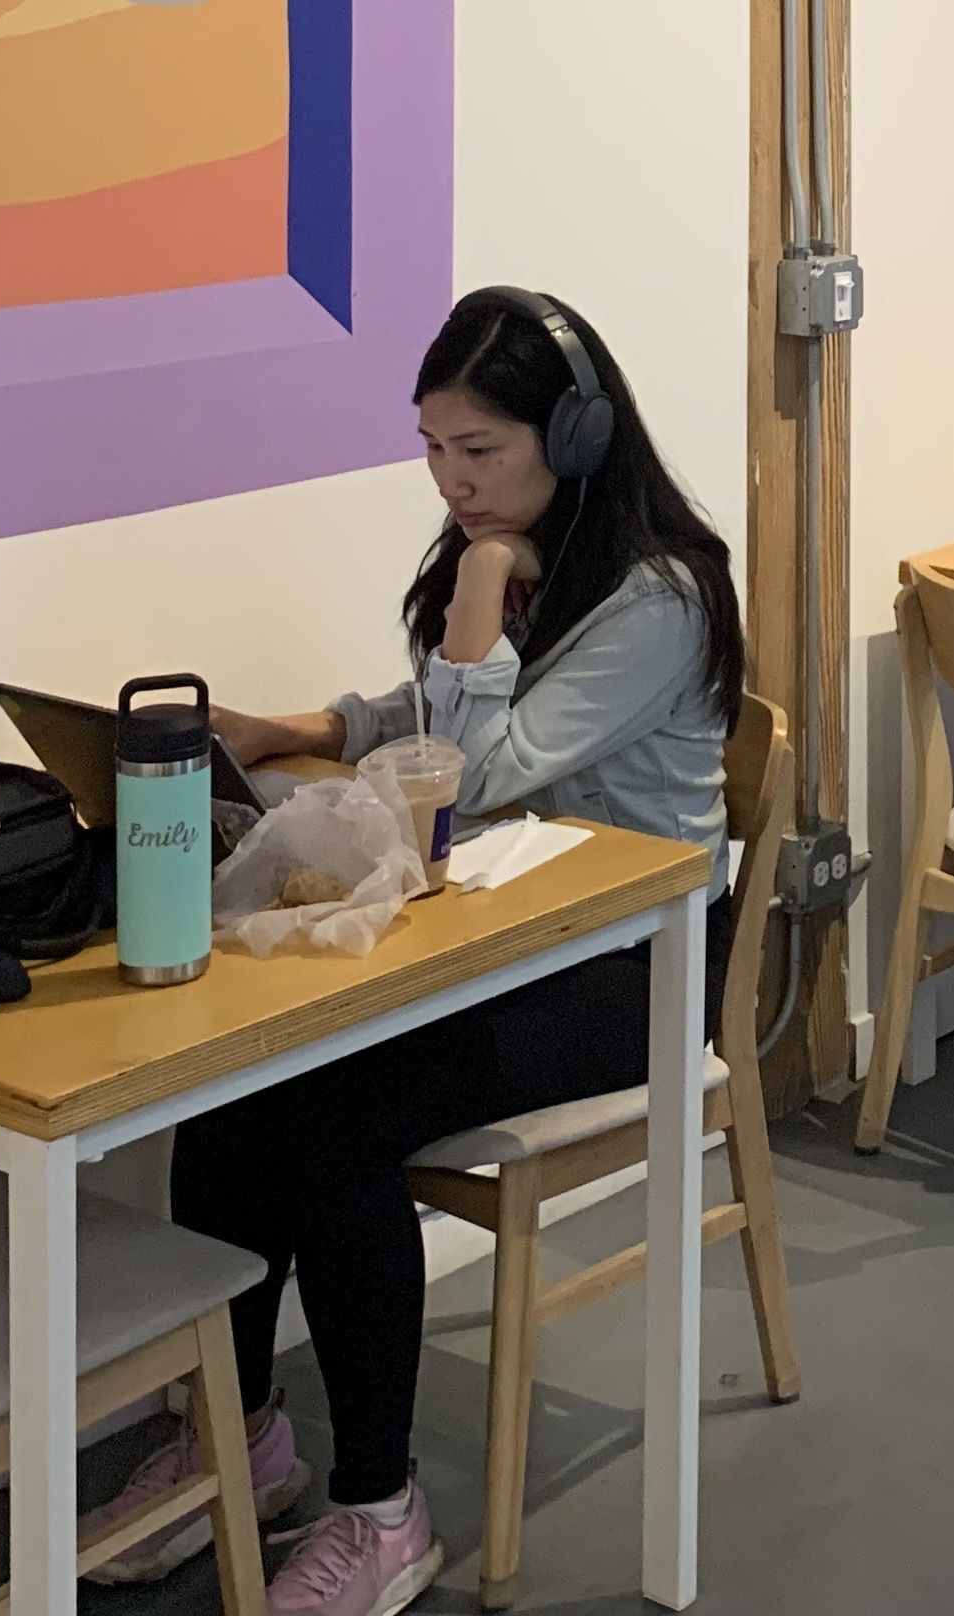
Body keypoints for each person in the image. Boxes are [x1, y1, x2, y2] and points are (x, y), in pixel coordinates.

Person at [80, 288, 741, 1616]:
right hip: (505, 933)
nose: (454, 483)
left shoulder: (662, 593)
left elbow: (481, 771)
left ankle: (379, 1508)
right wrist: (293, 724)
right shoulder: (508, 550)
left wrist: (482, 590)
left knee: (335, 1117)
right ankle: (238, 1429)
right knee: (241, 1090)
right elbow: (420, 712)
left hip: (634, 963)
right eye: (434, 448)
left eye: (481, 451)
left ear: (580, 432)